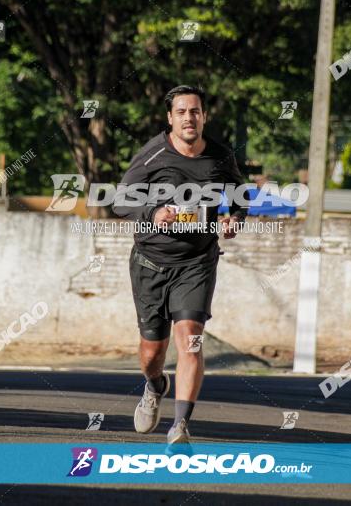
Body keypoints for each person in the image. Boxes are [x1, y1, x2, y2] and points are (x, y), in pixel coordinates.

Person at [112, 85, 248, 444]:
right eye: (182, 112)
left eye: (196, 111)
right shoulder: (153, 154)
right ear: (170, 118)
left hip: (197, 263)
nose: (190, 117)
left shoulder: (220, 155)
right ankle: (155, 385)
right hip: (150, 262)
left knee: (190, 338)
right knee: (151, 353)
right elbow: (119, 200)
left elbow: (239, 197)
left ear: (203, 116)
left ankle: (180, 426)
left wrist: (233, 219)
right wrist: (152, 211)